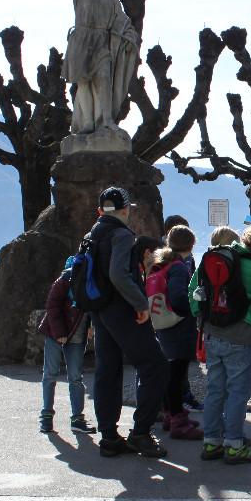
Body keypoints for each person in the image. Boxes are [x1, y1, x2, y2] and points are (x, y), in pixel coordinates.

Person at [189, 218, 251, 465]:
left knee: (215, 390)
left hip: (213, 333)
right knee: (238, 393)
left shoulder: (215, 256)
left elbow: (194, 290)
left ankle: (211, 442)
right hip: (241, 338)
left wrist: (201, 321)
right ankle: (234, 444)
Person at [83, 187, 169, 459]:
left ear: (100, 211)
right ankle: (141, 433)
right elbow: (119, 274)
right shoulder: (121, 235)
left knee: (107, 370)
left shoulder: (91, 234)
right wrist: (141, 303)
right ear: (124, 210)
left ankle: (109, 436)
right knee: (155, 365)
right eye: (128, 209)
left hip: (100, 310)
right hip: (123, 311)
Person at [55, 0, 140, 136]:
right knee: (84, 84)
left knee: (103, 79)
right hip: (81, 42)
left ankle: (107, 121)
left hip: (101, 44)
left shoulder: (112, 2)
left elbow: (124, 24)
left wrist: (130, 38)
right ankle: (86, 123)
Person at [151, 225, 202, 439]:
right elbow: (179, 297)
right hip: (178, 328)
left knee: (169, 374)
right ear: (191, 245)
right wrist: (193, 305)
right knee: (177, 376)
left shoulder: (161, 262)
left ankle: (171, 414)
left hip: (161, 324)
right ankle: (179, 423)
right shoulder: (179, 266)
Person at [37, 263, 96, 435]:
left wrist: (92, 324)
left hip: (77, 334)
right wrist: (60, 332)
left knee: (76, 377)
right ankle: (46, 417)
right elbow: (52, 305)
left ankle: (77, 419)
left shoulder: (96, 278)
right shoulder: (66, 277)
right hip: (56, 333)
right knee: (50, 374)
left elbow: (95, 304)